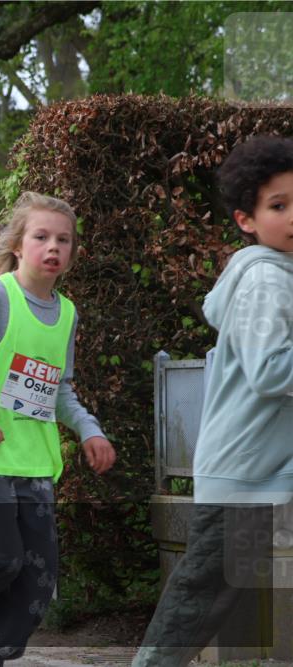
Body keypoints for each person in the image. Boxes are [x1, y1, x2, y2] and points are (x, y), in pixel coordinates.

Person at [0, 192, 116, 667]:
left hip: (35, 462)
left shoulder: (68, 313)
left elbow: (60, 390)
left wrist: (90, 431)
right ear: (17, 244)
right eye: (41, 237)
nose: (53, 247)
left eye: (64, 240)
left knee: (37, 580)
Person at [132, 135, 293, 667]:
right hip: (245, 474)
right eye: (279, 206)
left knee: (229, 598)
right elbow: (272, 371)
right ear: (247, 219)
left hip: (266, 470)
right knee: (202, 600)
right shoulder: (265, 280)